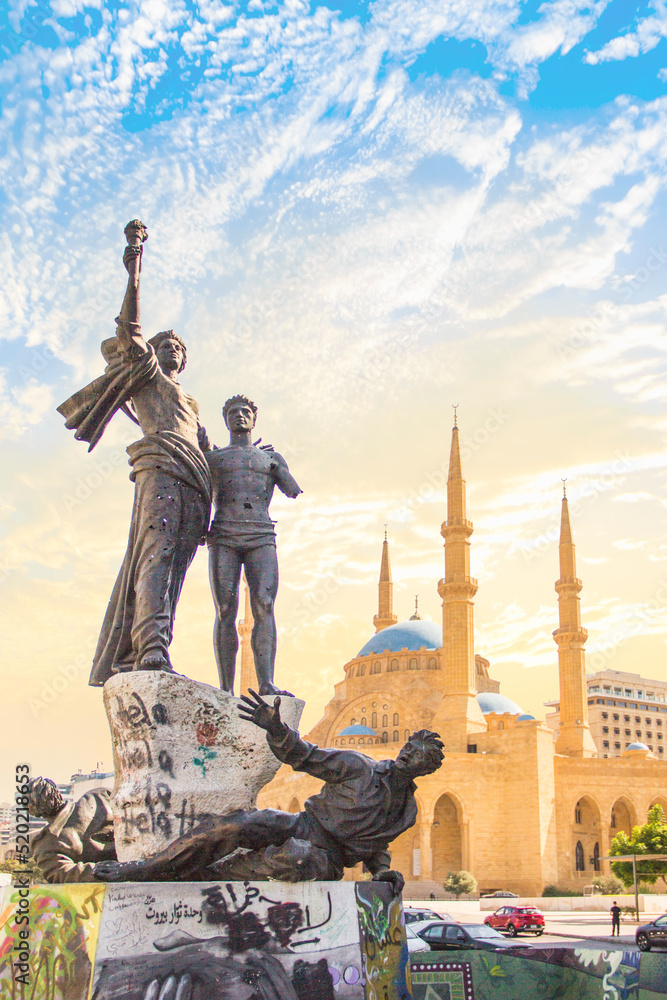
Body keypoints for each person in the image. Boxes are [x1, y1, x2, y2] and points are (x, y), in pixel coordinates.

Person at [58, 223, 211, 683]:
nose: (171, 350)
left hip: (196, 485)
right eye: (165, 344)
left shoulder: (193, 404)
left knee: (175, 575)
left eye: (178, 347)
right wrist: (135, 264)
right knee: (154, 557)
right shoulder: (148, 377)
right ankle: (149, 650)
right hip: (160, 470)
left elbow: (213, 453)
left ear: (185, 360)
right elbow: (130, 326)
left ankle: (157, 644)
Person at [94, 691, 445, 892]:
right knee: (242, 824)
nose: (407, 754)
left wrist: (381, 870)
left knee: (298, 857)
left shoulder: (407, 811)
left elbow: (377, 845)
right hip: (305, 823)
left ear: (425, 769)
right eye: (410, 747)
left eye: (419, 756)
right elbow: (304, 755)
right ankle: (147, 869)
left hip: (330, 857)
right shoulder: (358, 766)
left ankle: (205, 878)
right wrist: (276, 728)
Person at [205, 395, 301, 694]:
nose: (239, 416)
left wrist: (276, 467)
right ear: (225, 419)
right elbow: (198, 497)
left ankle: (266, 684)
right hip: (224, 533)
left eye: (245, 412)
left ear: (254, 419)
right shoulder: (214, 459)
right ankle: (225, 688)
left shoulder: (270, 459)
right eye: (233, 412)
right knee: (225, 608)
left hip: (260, 532)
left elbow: (293, 490)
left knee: (265, 604)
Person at [27, 776, 116, 882]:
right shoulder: (99, 795)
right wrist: (120, 869)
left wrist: (119, 869)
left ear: (31, 812)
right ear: (57, 793)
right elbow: (71, 874)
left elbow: (72, 876)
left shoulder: (45, 845)